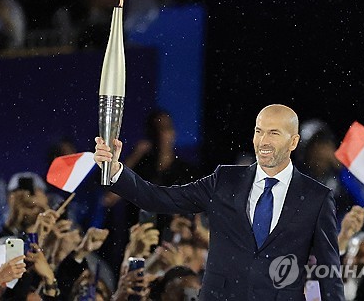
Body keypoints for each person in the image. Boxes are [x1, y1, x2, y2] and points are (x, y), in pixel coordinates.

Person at [94, 104, 345, 300]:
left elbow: (329, 272)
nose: (264, 141)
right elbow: (160, 198)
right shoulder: (224, 181)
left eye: (274, 133)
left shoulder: (317, 197)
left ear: (293, 142)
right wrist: (117, 170)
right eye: (259, 131)